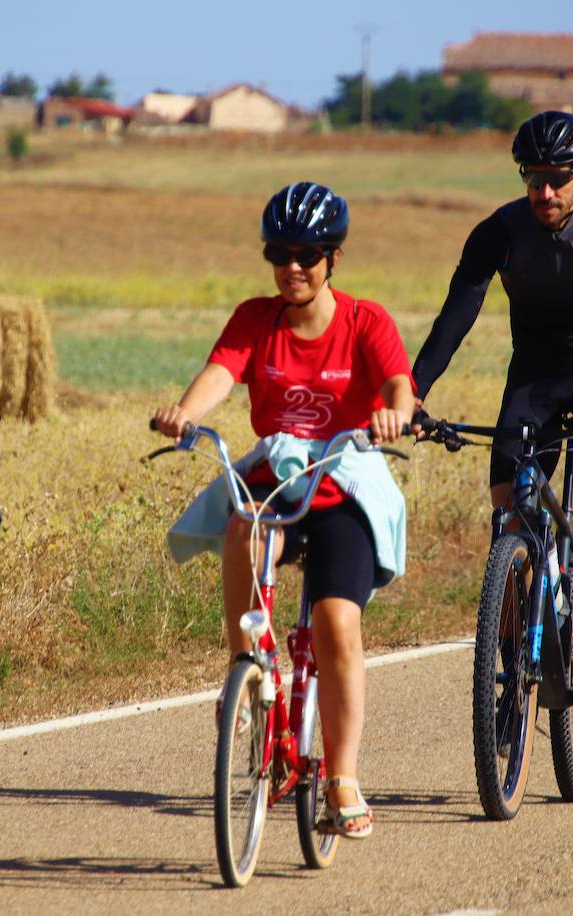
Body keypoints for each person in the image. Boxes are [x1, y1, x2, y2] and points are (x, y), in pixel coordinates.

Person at [153, 181, 414, 840]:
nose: (292, 267)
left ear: (333, 258)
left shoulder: (365, 321)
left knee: (335, 625)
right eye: (279, 253)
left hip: (340, 485)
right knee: (240, 524)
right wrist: (187, 412)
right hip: (274, 480)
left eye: (307, 254)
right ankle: (245, 668)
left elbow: (396, 385)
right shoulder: (254, 318)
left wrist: (395, 413)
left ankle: (343, 776)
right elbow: (222, 369)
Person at [411, 111, 573, 646]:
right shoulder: (498, 234)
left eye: (557, 178)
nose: (545, 191)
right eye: (534, 179)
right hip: (537, 369)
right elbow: (454, 318)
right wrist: (412, 393)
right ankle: (526, 630)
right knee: (509, 506)